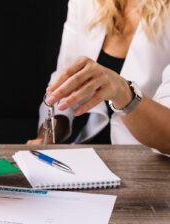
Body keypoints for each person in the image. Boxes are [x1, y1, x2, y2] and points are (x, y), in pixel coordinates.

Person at [28, 0, 170, 154]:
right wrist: (46, 138)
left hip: (150, 157)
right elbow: (64, 80)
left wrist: (123, 93)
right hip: (91, 152)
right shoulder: (85, 3)